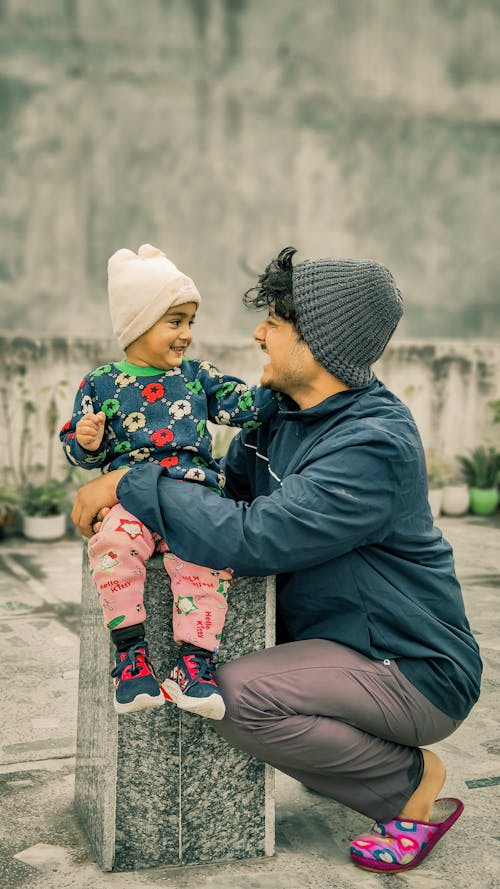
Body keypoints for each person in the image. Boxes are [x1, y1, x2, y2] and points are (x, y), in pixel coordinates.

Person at [71, 246, 482, 874]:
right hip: (338, 646)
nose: (257, 333)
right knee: (206, 657)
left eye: (274, 322)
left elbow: (251, 536)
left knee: (237, 697)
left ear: (318, 339)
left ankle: (411, 786)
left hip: (411, 665)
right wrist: (130, 497)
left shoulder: (372, 443)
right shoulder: (281, 420)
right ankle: (355, 752)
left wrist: (129, 483)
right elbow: (214, 495)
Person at [61, 243, 278, 720]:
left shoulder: (198, 377)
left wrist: (277, 384)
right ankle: (131, 660)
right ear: (138, 323)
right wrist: (88, 440)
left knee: (206, 564)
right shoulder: (99, 384)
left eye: (190, 322)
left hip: (193, 499)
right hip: (132, 503)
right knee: (112, 544)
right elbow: (76, 449)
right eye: (174, 321)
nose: (186, 335)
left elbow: (245, 407)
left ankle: (194, 668)